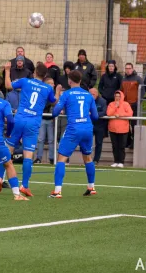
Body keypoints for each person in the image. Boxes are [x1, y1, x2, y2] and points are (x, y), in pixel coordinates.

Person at [3, 62, 57, 196]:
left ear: (34, 73)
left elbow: (8, 86)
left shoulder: (25, 81)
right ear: (45, 76)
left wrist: (8, 70)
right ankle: (24, 185)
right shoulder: (47, 88)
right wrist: (58, 91)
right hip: (33, 122)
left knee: (8, 150)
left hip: (20, 119)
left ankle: (0, 178)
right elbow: (54, 101)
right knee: (28, 155)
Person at [50, 70, 99, 198]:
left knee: (61, 158)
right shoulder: (88, 95)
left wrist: (63, 107)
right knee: (88, 158)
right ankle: (91, 187)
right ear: (80, 80)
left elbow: (55, 112)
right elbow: (95, 116)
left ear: (69, 80)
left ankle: (57, 191)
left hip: (73, 128)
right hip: (87, 128)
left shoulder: (67, 94)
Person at [106, 90, 133, 167]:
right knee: (114, 146)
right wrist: (115, 107)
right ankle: (116, 161)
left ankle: (121, 162)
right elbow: (108, 113)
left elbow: (130, 113)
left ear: (122, 96)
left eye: (119, 96)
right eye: (116, 96)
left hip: (123, 129)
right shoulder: (111, 104)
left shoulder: (126, 104)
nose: (117, 98)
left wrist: (120, 114)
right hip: (112, 129)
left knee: (121, 146)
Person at [121, 62, 143, 149]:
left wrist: (138, 102)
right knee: (126, 124)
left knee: (134, 124)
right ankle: (127, 141)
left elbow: (142, 91)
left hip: (134, 105)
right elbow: (121, 91)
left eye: (129, 68)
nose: (128, 70)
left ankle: (134, 142)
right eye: (126, 68)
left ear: (133, 69)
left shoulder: (138, 79)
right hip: (125, 105)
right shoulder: (123, 79)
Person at [35, 77, 56, 165]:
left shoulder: (54, 94)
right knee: (40, 139)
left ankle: (52, 158)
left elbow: (56, 104)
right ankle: (38, 158)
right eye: (50, 83)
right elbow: (46, 104)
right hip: (42, 118)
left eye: (53, 83)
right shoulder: (43, 93)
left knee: (51, 140)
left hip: (51, 119)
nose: (52, 85)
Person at [90, 88, 108, 166]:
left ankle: (96, 160)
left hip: (100, 125)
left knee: (99, 143)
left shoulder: (102, 101)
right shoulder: (87, 100)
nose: (91, 96)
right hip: (90, 125)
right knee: (87, 142)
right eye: (90, 94)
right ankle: (88, 159)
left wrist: (94, 114)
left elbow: (104, 112)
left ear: (97, 94)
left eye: (93, 94)